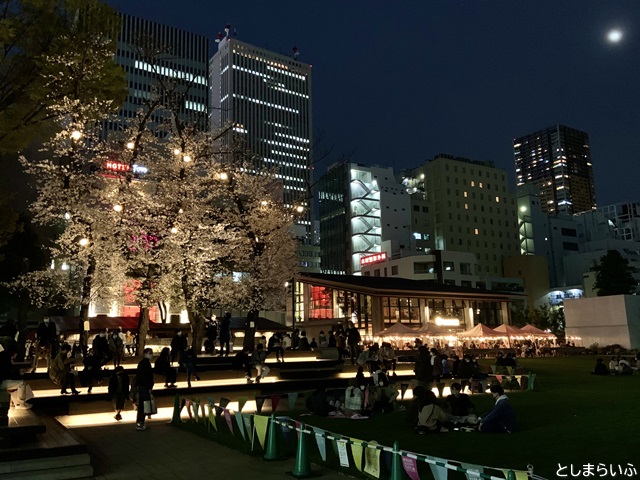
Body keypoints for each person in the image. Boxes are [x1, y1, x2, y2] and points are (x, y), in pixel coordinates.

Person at [0, 340, 34, 409]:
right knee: (21, 383)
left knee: (16, 383)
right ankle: (20, 404)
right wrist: (19, 373)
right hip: (1, 382)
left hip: (1, 380)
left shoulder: (3, 356)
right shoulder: (5, 358)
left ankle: (15, 402)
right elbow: (7, 373)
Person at [135, 348, 154, 431]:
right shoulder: (145, 364)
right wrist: (149, 387)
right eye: (150, 353)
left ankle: (140, 422)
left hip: (143, 386)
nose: (151, 355)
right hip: (144, 387)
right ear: (145, 353)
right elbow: (147, 377)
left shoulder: (143, 363)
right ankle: (140, 423)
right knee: (144, 406)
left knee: (143, 406)